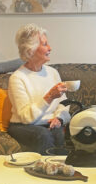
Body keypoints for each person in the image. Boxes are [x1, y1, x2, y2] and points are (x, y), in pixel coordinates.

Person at [7, 23, 71, 155]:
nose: (50, 48)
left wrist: (59, 118)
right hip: (23, 126)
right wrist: (49, 97)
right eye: (44, 44)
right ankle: (45, 172)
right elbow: (26, 118)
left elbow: (64, 104)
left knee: (59, 133)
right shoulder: (17, 78)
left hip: (49, 123)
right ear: (31, 50)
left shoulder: (53, 73)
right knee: (43, 135)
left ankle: (62, 172)